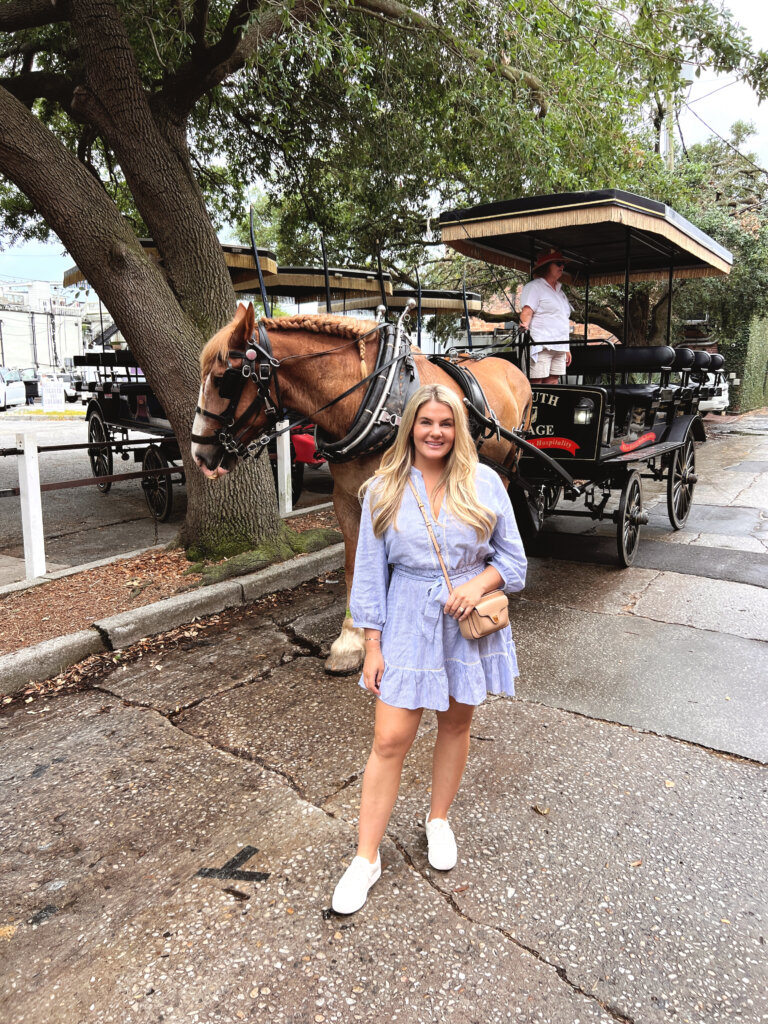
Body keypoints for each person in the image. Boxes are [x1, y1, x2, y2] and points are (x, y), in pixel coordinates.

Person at [331, 383, 526, 915]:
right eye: (426, 422)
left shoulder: (484, 482)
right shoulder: (383, 489)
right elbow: (369, 576)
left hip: (465, 623)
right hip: (406, 624)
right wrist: (371, 643)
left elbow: (515, 562)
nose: (436, 432)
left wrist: (478, 584)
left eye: (446, 423)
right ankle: (365, 857)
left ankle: (437, 819)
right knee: (390, 739)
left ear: (458, 428)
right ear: (410, 427)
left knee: (456, 723)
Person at [519, 250, 573, 384]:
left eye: (563, 264)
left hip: (560, 345)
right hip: (540, 344)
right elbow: (527, 311)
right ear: (546, 266)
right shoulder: (534, 287)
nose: (562, 267)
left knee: (554, 382)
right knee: (536, 382)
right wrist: (524, 324)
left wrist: (566, 348)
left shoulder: (561, 292)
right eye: (558, 264)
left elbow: (562, 319)